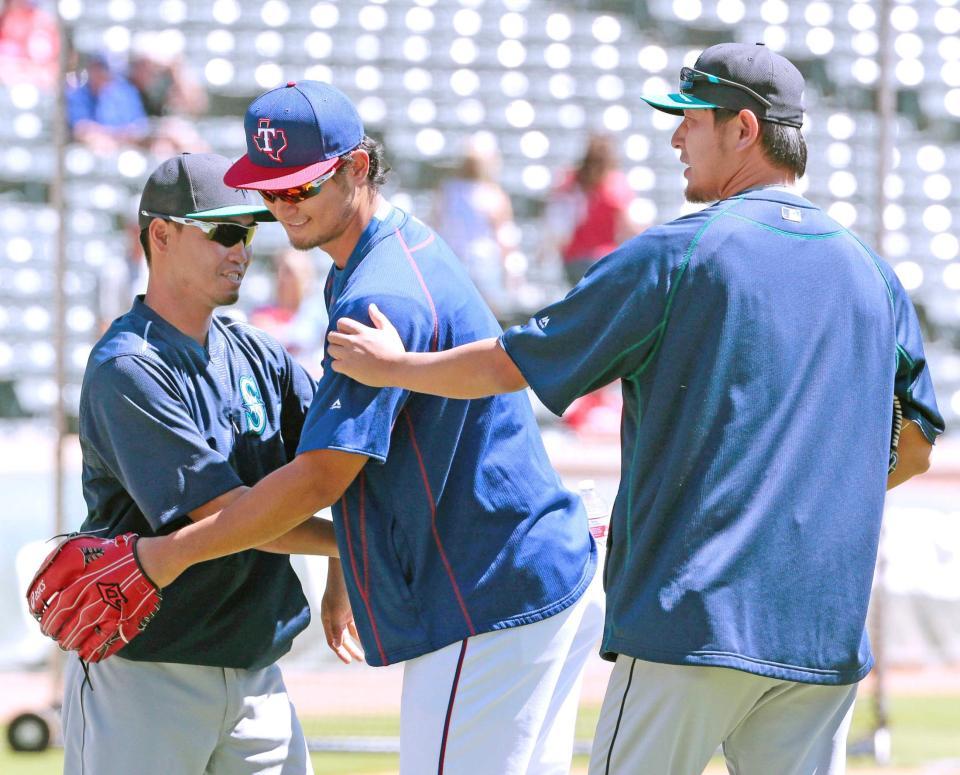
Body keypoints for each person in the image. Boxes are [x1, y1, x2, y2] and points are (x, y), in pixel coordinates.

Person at [325, 43, 945, 775]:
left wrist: (397, 368)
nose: (676, 137)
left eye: (691, 119)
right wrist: (797, 505)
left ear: (744, 129)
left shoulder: (682, 253)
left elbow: (510, 363)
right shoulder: (874, 274)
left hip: (692, 619)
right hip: (819, 632)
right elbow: (913, 447)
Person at [126, 82, 602, 775]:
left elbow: (323, 472)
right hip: (527, 576)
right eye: (270, 191)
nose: (283, 207)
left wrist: (171, 553)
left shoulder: (380, 292)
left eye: (301, 187)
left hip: (487, 591)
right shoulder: (385, 250)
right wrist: (344, 560)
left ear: (355, 168)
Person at [63, 152, 347, 775]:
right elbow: (231, 516)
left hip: (256, 670)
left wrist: (346, 567)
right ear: (160, 235)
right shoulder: (129, 366)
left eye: (247, 232)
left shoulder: (256, 353)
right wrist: (352, 548)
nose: (241, 249)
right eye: (223, 232)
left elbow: (344, 456)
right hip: (145, 672)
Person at [431, 132, 518, 317]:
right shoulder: (492, 194)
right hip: (473, 265)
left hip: (466, 263)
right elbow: (505, 239)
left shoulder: (449, 189)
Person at [543, 132, 641, 287]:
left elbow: (556, 225)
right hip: (605, 260)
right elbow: (631, 228)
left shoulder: (568, 182)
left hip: (573, 260)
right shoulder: (615, 184)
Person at [66, 52, 149, 152]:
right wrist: (96, 136)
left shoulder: (124, 92)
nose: (95, 74)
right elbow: (79, 127)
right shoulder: (80, 92)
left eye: (99, 70)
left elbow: (139, 128)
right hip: (88, 151)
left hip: (124, 149)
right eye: (92, 69)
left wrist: (113, 137)